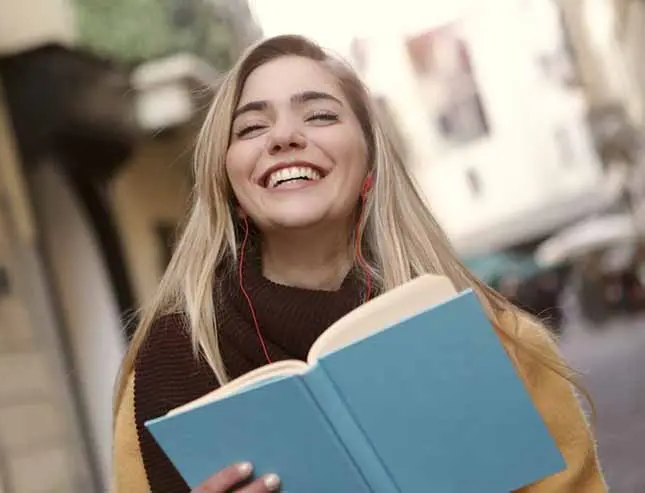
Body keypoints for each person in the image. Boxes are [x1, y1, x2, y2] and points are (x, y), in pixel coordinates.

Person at [113, 34, 606, 493]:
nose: (283, 136)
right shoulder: (166, 368)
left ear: (370, 163)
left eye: (320, 115)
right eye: (252, 126)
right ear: (230, 184)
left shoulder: (503, 344)